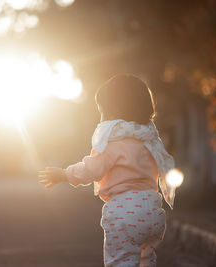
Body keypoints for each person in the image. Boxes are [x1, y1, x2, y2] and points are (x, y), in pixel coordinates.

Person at [38, 74, 175, 267]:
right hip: (153, 211)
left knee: (121, 262)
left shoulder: (113, 141)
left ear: (114, 111)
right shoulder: (150, 140)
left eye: (102, 112)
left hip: (124, 212)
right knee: (147, 261)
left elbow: (91, 169)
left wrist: (64, 174)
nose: (101, 119)